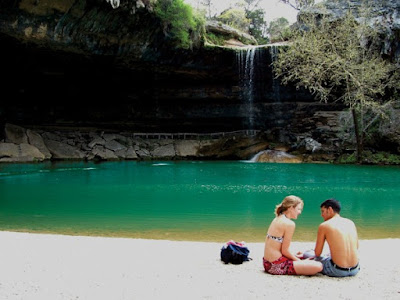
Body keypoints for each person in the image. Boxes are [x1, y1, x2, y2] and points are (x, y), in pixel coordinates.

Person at [263, 195, 323, 275]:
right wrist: (300, 261)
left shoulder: (277, 218)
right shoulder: (289, 224)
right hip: (276, 265)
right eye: (298, 209)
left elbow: (280, 249)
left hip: (267, 263)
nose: (300, 212)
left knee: (305, 256)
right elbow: (285, 251)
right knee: (318, 266)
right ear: (291, 207)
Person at [313, 198, 360, 277]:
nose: (322, 215)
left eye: (323, 211)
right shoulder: (350, 222)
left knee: (308, 254)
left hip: (337, 270)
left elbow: (317, 253)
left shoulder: (324, 225)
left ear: (330, 209)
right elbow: (357, 246)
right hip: (355, 269)